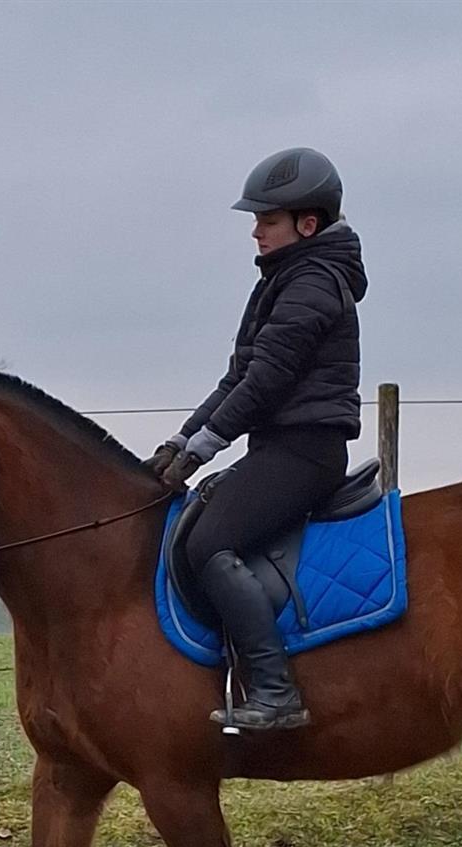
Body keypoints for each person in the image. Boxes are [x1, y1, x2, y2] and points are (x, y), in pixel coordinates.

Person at [148, 147, 368, 732]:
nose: (255, 231)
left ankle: (276, 692)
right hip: (277, 450)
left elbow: (266, 382)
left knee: (207, 546)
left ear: (308, 224)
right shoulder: (285, 279)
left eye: (266, 220)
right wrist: (180, 438)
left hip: (305, 454)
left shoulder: (312, 283)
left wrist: (204, 448)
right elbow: (237, 380)